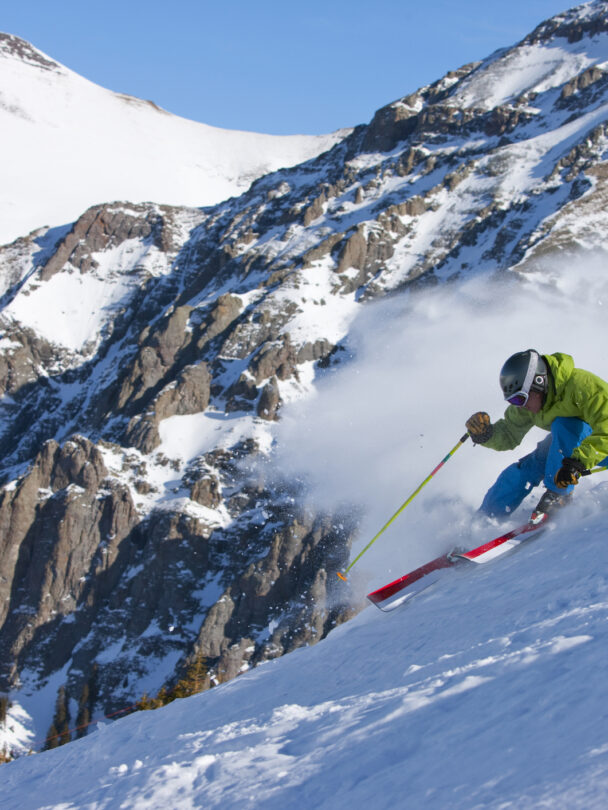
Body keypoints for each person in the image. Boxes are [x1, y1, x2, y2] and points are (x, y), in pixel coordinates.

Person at [465, 350, 608, 519]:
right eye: (513, 401)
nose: (519, 406)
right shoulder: (530, 403)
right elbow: (509, 433)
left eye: (519, 399)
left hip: (599, 445)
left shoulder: (583, 386)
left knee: (563, 425)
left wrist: (576, 463)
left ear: (538, 384)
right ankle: (483, 520)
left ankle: (558, 496)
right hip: (573, 448)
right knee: (529, 465)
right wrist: (486, 435)